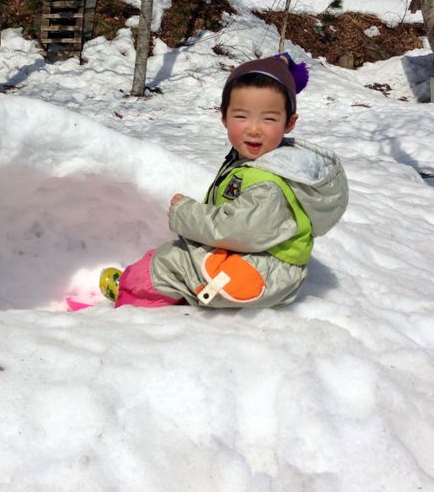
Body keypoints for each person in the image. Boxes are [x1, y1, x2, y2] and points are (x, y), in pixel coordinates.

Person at [100, 53, 349, 309]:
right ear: (224, 117)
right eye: (242, 116)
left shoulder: (269, 183)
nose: (254, 128)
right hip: (255, 257)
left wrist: (186, 213)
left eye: (269, 118)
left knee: (172, 260)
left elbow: (236, 230)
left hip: (264, 272)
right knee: (189, 252)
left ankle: (131, 297)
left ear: (289, 123)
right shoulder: (256, 159)